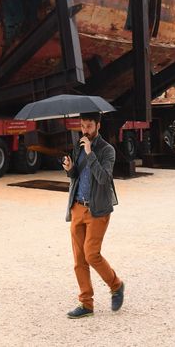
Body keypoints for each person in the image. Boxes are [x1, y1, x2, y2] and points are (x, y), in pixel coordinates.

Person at [62, 112, 124, 318]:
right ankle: (86, 304)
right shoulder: (79, 146)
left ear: (98, 125)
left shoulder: (107, 150)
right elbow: (77, 177)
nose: (85, 130)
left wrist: (90, 153)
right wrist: (70, 169)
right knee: (79, 259)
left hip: (97, 210)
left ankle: (116, 285)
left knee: (91, 254)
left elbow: (104, 178)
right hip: (78, 207)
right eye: (82, 126)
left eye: (89, 126)